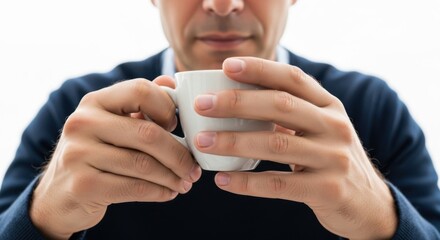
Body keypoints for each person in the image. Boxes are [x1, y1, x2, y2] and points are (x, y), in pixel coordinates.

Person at [0, 0, 439, 239]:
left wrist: (385, 221)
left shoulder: (368, 108)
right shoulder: (80, 110)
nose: (223, 4)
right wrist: (43, 215)